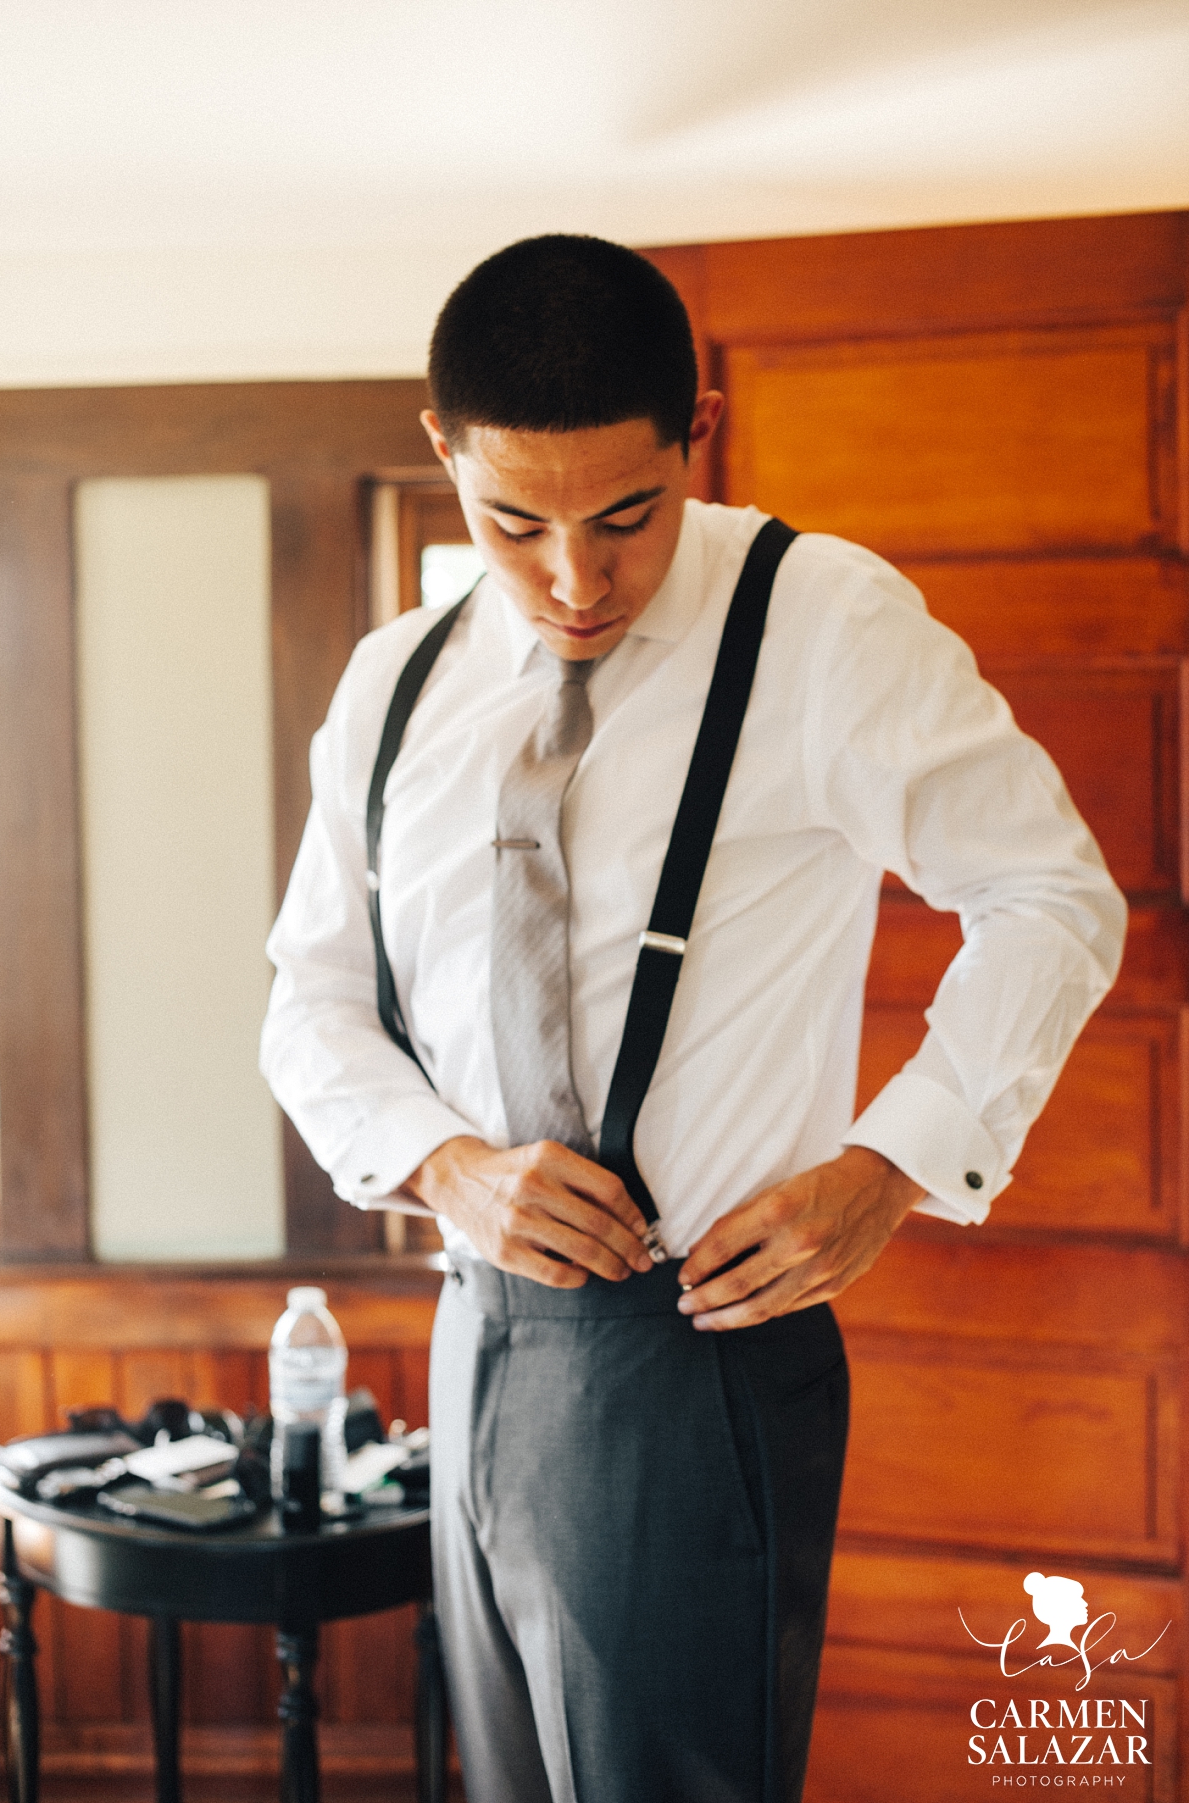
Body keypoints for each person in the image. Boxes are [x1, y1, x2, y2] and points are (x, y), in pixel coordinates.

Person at [260, 234, 1126, 1803]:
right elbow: (309, 1001)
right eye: (513, 522)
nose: (576, 579)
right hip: (471, 1333)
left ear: (697, 430)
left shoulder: (825, 623)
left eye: (627, 515)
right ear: (441, 451)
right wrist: (450, 1166)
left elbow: (1056, 899)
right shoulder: (395, 682)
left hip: (700, 1356)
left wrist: (893, 1163)